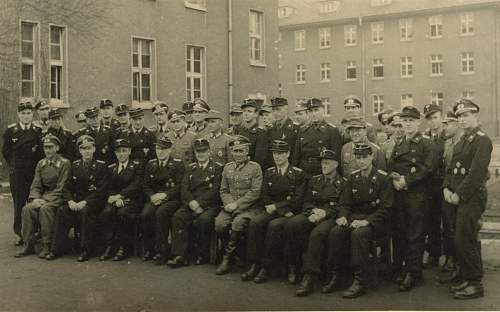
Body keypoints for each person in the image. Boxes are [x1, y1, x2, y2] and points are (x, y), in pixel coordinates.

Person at [327, 143, 393, 298]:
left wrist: (367, 221)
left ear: (372, 157)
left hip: (376, 222)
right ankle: (338, 275)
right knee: (336, 232)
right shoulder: (353, 177)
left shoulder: (383, 178)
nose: (361, 161)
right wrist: (342, 216)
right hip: (354, 218)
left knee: (358, 235)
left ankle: (360, 280)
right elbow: (344, 203)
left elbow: (386, 208)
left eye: (365, 157)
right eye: (358, 157)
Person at [442, 98, 492, 299]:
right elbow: (451, 168)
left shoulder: (482, 140)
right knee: (459, 238)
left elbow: (477, 174)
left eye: (466, 115)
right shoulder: (463, 140)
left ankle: (475, 283)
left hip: (470, 197)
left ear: (475, 116)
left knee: (466, 239)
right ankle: (466, 276)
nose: (462, 120)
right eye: (459, 116)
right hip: (455, 196)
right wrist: (446, 187)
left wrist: (459, 194)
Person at [388, 105, 435, 291]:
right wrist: (394, 179)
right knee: (400, 232)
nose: (407, 124)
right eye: (404, 121)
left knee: (415, 234)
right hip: (399, 193)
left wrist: (406, 180)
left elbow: (428, 168)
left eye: (411, 121)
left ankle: (413, 272)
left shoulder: (426, 143)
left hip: (417, 195)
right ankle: (402, 267)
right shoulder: (399, 143)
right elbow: (391, 164)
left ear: (418, 122)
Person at [245, 140, 306, 284]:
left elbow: (298, 199)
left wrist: (279, 208)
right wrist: (273, 207)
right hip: (272, 209)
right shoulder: (269, 172)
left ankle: (267, 268)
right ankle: (254, 264)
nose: (277, 157)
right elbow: (263, 195)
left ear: (288, 154)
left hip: (289, 212)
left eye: (281, 153)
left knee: (274, 226)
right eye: (275, 153)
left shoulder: (298, 174)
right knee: (255, 223)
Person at [290, 149, 347, 297]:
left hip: (331, 217)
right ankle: (294, 266)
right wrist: (312, 212)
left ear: (335, 164)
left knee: (317, 234)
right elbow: (307, 201)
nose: (323, 166)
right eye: (322, 163)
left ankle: (309, 276)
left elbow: (343, 206)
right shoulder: (315, 180)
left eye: (327, 163)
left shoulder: (344, 183)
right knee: (293, 224)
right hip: (314, 213)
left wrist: (325, 213)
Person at [46, 135, 108, 261]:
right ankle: (55, 249)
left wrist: (85, 202)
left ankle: (85, 250)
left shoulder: (101, 166)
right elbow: (66, 187)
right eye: (83, 148)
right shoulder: (75, 166)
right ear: (80, 151)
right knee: (62, 211)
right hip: (76, 202)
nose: (86, 151)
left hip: (93, 203)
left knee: (85, 212)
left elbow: (102, 191)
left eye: (89, 148)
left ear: (94, 149)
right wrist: (70, 201)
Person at [167, 139, 223, 267]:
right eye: (198, 152)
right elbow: (184, 188)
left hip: (209, 205)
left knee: (203, 220)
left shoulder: (218, 168)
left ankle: (202, 254)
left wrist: (199, 203)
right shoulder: (191, 168)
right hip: (191, 204)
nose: (201, 154)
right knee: (178, 216)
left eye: (203, 151)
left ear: (209, 152)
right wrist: (192, 202)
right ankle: (180, 255)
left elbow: (215, 190)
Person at [15, 134, 70, 258]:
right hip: (43, 197)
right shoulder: (41, 163)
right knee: (27, 209)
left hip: (59, 198)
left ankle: (47, 245)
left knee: (45, 210)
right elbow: (36, 185)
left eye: (50, 147)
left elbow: (62, 187)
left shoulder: (64, 163)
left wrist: (44, 200)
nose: (48, 150)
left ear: (57, 148)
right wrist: (35, 199)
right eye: (45, 147)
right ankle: (28, 245)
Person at [214, 135, 263, 275]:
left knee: (237, 223)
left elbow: (255, 192)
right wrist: (229, 204)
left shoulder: (255, 168)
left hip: (249, 207)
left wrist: (237, 205)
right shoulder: (227, 168)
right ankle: (236, 254)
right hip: (230, 206)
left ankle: (227, 258)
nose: (238, 154)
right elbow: (223, 190)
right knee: (219, 224)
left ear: (247, 151)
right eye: (235, 151)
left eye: (241, 151)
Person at [2, 101, 43, 246]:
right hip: (18, 173)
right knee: (19, 204)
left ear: (32, 114)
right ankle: (19, 234)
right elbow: (6, 152)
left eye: (29, 113)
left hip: (32, 173)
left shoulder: (37, 130)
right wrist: (14, 165)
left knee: (34, 202)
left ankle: (34, 232)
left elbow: (40, 153)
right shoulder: (11, 131)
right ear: (18, 114)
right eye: (23, 113)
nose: (26, 116)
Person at [140, 136, 185, 264]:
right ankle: (149, 249)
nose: (161, 152)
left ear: (170, 150)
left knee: (161, 213)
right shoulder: (151, 164)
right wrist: (152, 196)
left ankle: (162, 251)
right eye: (158, 148)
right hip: (154, 198)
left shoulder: (177, 164)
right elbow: (145, 185)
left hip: (171, 199)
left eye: (164, 149)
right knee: (145, 214)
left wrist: (164, 195)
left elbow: (179, 186)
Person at [99, 138, 143, 261]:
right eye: (118, 151)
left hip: (132, 200)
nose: (121, 154)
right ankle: (110, 245)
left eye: (124, 151)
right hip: (114, 200)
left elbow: (136, 185)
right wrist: (112, 197)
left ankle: (124, 247)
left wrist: (121, 196)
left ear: (129, 151)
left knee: (123, 214)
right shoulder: (111, 167)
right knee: (106, 213)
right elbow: (107, 186)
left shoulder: (136, 166)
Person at [438, 111, 463, 279]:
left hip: (463, 193)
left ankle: (462, 265)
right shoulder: (447, 143)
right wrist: (446, 188)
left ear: (458, 124)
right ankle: (451, 258)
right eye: (444, 123)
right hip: (448, 192)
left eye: (448, 123)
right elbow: (446, 170)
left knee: (463, 230)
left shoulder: (467, 143)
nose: (444, 126)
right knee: (447, 227)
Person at [292, 98, 342, 179]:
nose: (313, 114)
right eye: (311, 111)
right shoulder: (303, 131)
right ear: (307, 113)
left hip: (323, 174)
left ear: (323, 110)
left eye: (316, 110)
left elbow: (336, 159)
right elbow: (296, 157)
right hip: (304, 175)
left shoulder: (332, 131)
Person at [422, 103, 446, 268]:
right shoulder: (424, 137)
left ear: (442, 117)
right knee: (431, 221)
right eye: (429, 118)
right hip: (428, 185)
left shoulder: (448, 136)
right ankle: (433, 254)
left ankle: (451, 258)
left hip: (443, 183)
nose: (433, 121)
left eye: (435, 117)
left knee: (448, 221)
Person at [239, 99, 269, 168]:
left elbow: (260, 160)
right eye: (244, 111)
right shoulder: (242, 131)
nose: (246, 114)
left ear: (256, 114)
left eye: (249, 111)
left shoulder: (261, 133)